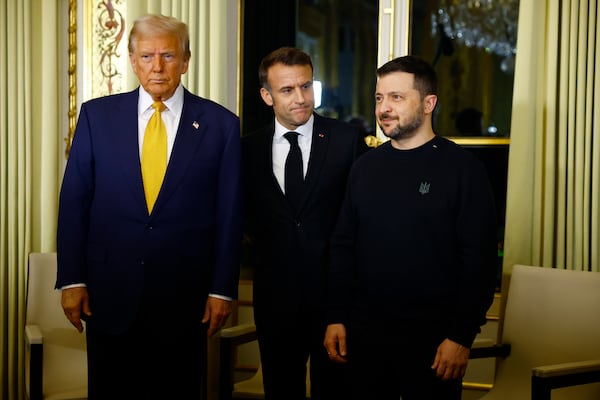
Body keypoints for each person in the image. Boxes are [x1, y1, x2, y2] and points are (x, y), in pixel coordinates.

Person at [56, 14, 242, 399]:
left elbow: (229, 213)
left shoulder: (221, 125)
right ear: (131, 58)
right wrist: (72, 280)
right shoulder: (96, 116)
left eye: (169, 56)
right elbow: (74, 201)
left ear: (186, 60)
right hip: (109, 296)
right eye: (147, 56)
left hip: (184, 299)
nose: (157, 66)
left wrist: (222, 289)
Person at [323, 55, 498, 400]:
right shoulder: (364, 168)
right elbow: (344, 246)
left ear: (429, 103)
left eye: (396, 97)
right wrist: (336, 316)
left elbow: (478, 261)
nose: (383, 108)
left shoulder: (463, 170)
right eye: (379, 98)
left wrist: (461, 338)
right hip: (364, 338)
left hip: (435, 344)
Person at [242, 46, 367, 400]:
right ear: (267, 96)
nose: (301, 98)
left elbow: (360, 223)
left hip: (336, 305)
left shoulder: (347, 140)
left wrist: (344, 307)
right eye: (287, 90)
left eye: (306, 86)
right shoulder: (246, 150)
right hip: (274, 302)